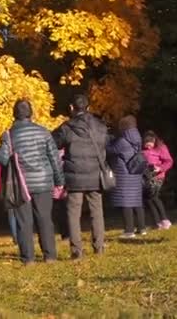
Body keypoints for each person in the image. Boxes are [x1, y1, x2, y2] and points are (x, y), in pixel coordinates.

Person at [0, 99, 64, 264]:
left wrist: (3, 144)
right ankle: (50, 256)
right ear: (30, 113)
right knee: (45, 219)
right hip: (44, 181)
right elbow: (54, 158)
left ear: (14, 114)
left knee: (24, 222)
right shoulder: (44, 132)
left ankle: (28, 258)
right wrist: (59, 180)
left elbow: (3, 159)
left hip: (21, 184)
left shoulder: (9, 135)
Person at [53, 94, 108, 260]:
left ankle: (77, 250)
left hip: (74, 175)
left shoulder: (67, 127)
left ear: (71, 108)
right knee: (96, 211)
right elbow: (106, 144)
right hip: (95, 174)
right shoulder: (100, 126)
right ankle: (99, 247)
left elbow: (54, 143)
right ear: (88, 108)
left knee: (73, 213)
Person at [107, 115, 146, 238]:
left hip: (125, 175)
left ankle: (129, 231)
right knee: (137, 202)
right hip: (135, 174)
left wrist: (108, 139)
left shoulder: (123, 141)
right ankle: (142, 228)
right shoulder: (137, 138)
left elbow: (110, 150)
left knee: (126, 202)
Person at [142, 131, 174, 229]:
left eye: (150, 145)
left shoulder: (161, 148)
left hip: (158, 176)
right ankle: (157, 223)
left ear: (154, 141)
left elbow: (169, 161)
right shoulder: (142, 150)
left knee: (154, 196)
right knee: (148, 199)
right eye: (146, 145)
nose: (148, 147)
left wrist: (160, 168)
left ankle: (165, 220)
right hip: (146, 176)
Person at [0, 165, 18, 245]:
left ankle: (15, 237)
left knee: (12, 216)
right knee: (21, 215)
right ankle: (22, 236)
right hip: (19, 190)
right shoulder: (19, 157)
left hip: (7, 191)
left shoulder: (1, 163)